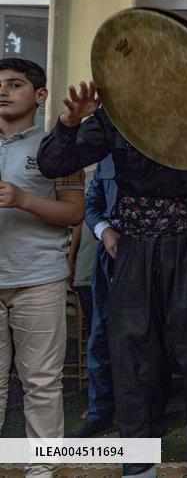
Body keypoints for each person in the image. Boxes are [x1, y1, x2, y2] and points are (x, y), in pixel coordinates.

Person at [37, 78, 187, 478]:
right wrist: (69, 121)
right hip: (134, 247)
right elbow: (53, 163)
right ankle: (138, 464)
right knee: (131, 353)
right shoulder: (114, 115)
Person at [0, 58, 85, 478]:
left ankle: (42, 469)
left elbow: (74, 213)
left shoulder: (58, 148)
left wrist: (21, 199)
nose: (3, 91)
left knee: (41, 383)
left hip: (38, 279)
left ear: (39, 95)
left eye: (14, 84)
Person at [70, 154, 118, 438]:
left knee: (145, 339)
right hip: (101, 261)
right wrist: (104, 231)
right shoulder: (102, 163)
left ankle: (142, 410)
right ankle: (100, 410)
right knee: (99, 337)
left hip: (146, 258)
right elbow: (87, 209)